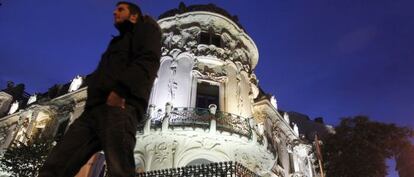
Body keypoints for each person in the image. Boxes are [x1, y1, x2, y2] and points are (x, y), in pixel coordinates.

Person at [39, 1, 161, 177]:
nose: (114, 12)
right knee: (56, 164)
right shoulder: (117, 41)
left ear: (134, 16)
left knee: (119, 170)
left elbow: (147, 62)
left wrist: (120, 91)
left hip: (120, 105)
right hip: (93, 110)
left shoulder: (146, 31)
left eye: (120, 9)